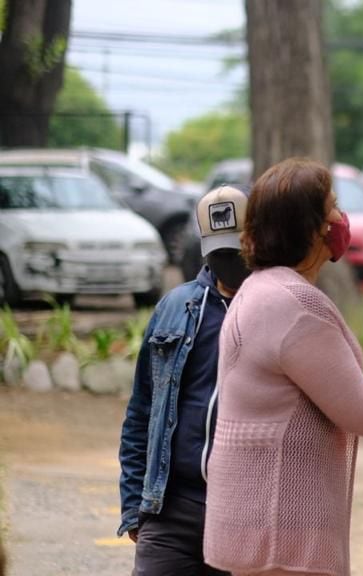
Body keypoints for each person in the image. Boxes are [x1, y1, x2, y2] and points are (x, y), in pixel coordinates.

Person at [202, 158, 363, 576]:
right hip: (281, 529)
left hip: (253, 520)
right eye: (333, 206)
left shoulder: (258, 289)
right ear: (311, 227)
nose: (342, 218)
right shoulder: (295, 305)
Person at [118, 185, 251, 575]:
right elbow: (142, 410)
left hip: (243, 515)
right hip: (171, 511)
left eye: (236, 249)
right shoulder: (175, 307)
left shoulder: (276, 308)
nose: (229, 261)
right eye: (220, 251)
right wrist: (134, 506)